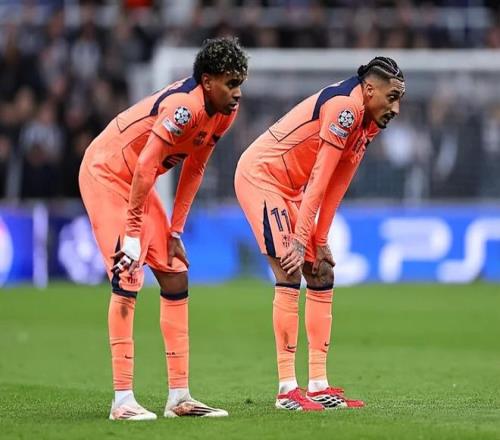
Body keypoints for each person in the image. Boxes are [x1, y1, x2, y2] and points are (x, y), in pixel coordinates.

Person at [79, 37, 248, 420]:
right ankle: (122, 400)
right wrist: (133, 234)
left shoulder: (224, 112)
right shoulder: (184, 108)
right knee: (127, 271)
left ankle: (179, 398)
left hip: (137, 182)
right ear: (208, 81)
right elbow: (144, 166)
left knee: (175, 272)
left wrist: (175, 231)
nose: (237, 93)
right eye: (230, 84)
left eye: (240, 84)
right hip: (107, 173)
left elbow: (196, 167)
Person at [235, 57, 405, 411]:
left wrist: (320, 238)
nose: (396, 109)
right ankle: (286, 390)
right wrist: (300, 239)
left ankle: (317, 385)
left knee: (322, 271)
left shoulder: (368, 123)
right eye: (392, 98)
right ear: (369, 90)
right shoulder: (345, 108)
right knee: (290, 269)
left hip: (293, 189)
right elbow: (320, 176)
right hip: (263, 177)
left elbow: (338, 181)